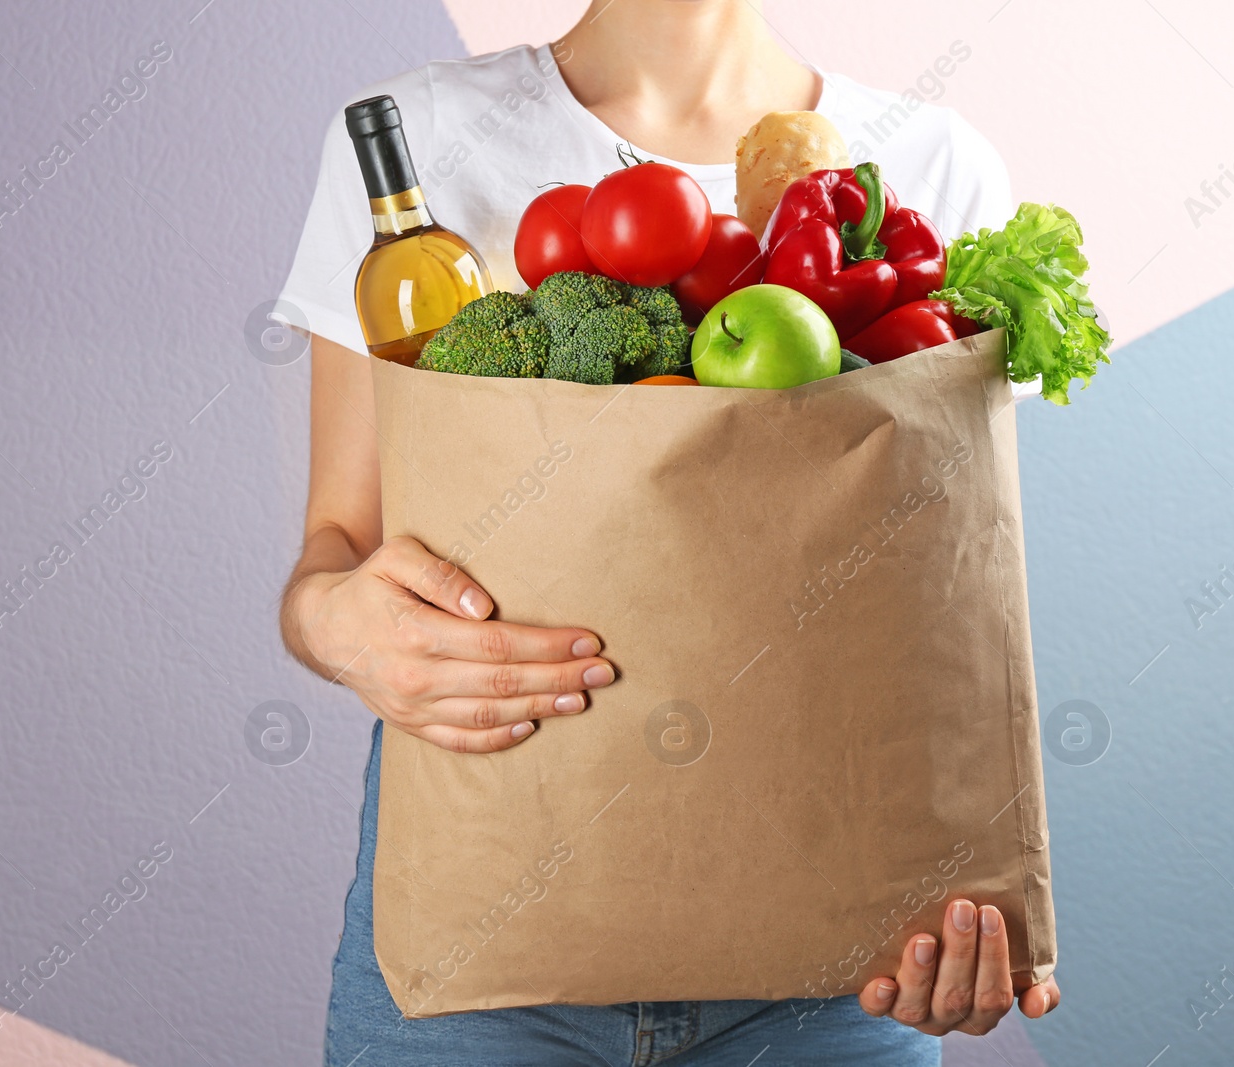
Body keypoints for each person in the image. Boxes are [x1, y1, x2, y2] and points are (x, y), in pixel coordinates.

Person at [278, 2, 1060, 1062]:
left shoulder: (929, 161)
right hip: (483, 957)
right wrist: (338, 624)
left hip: (835, 980)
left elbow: (948, 605)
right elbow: (334, 545)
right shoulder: (420, 137)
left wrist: (976, 880)